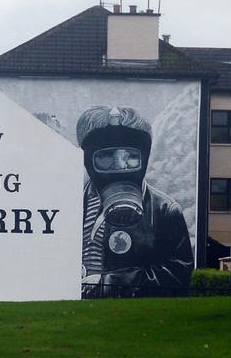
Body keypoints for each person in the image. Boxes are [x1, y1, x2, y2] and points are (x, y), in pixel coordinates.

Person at [76, 105, 193, 299]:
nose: (120, 166)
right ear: (89, 160)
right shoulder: (69, 203)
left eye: (130, 156)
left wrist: (110, 283)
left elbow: (177, 274)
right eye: (106, 156)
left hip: (129, 315)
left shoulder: (164, 211)